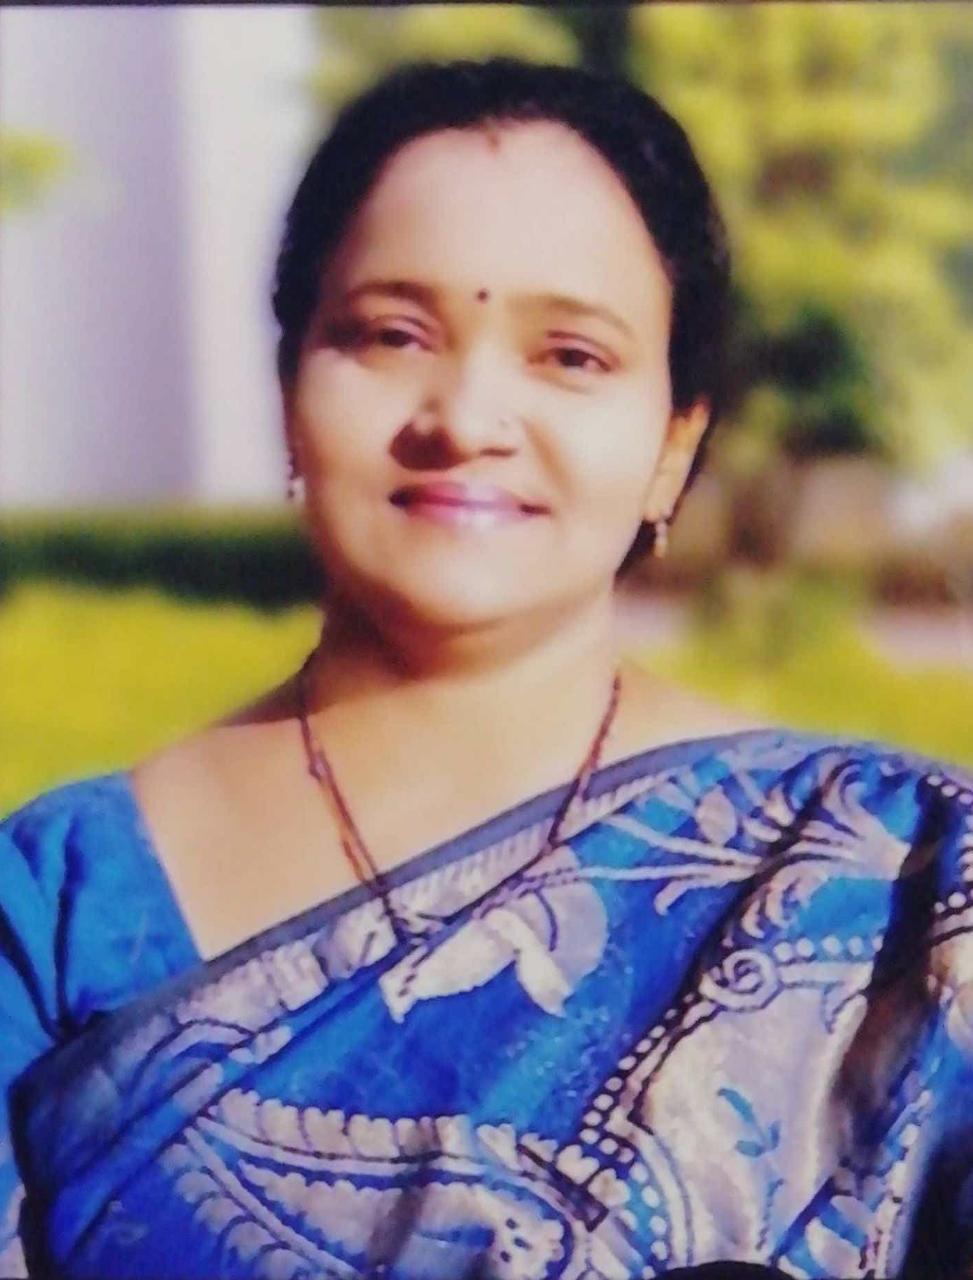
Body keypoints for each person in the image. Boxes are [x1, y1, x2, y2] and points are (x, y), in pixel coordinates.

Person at [0, 55, 970, 1280]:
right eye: (391, 333)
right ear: (290, 391)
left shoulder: (893, 871)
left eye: (571, 355)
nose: (465, 418)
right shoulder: (55, 903)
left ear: (674, 446)